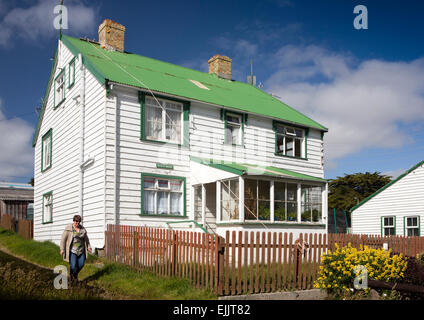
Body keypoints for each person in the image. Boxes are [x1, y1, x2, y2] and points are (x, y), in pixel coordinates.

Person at [60, 215, 92, 284]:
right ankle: (73, 278)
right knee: (73, 265)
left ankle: (73, 275)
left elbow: (86, 239)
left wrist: (88, 247)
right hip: (72, 251)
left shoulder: (82, 229)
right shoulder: (69, 228)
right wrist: (62, 249)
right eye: (76, 221)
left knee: (81, 264)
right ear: (73, 221)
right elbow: (63, 239)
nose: (77, 223)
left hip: (81, 250)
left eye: (79, 221)